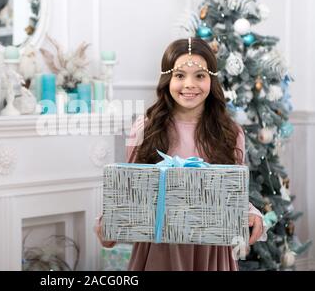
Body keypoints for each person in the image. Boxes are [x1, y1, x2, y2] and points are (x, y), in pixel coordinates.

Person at [95, 37, 267, 271]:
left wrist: (251, 213)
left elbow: (232, 192)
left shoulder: (230, 133)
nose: (189, 84)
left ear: (211, 80)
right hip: (160, 249)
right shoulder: (144, 129)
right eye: (179, 75)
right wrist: (110, 220)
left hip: (212, 252)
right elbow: (131, 191)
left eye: (199, 75)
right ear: (167, 79)